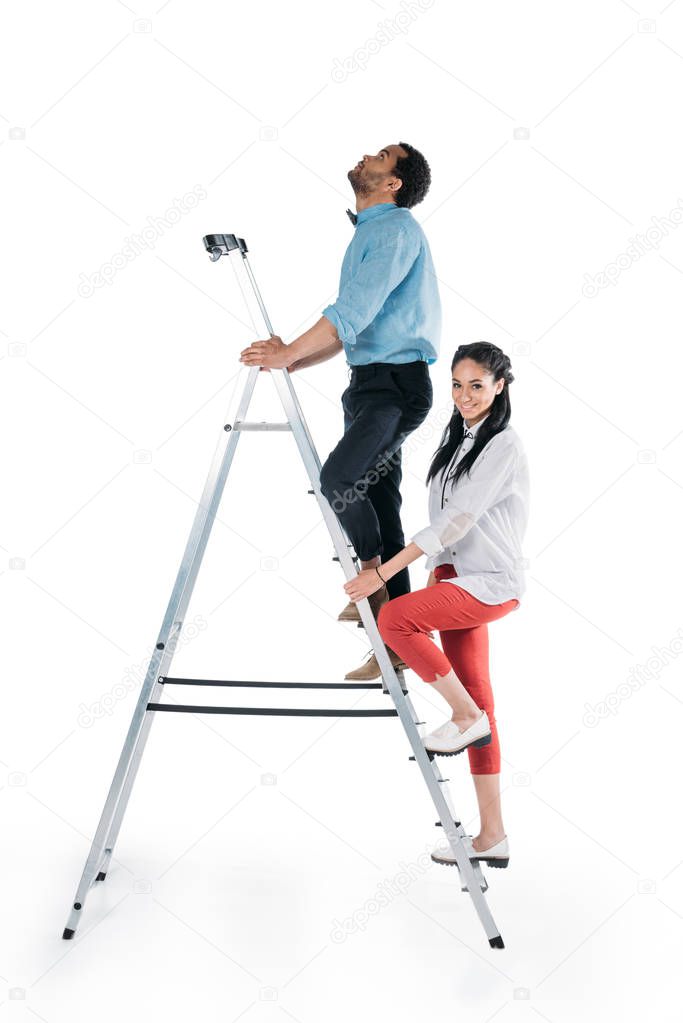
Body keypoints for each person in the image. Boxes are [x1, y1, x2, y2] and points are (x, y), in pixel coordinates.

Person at [240, 142, 441, 680]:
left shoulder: (395, 230)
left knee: (340, 479)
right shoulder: (370, 232)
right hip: (369, 383)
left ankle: (371, 572)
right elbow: (359, 325)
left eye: (380, 156)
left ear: (393, 182)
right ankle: (398, 640)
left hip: (396, 388)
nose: (365, 157)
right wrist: (296, 362)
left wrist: (290, 351)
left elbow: (349, 313)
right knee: (378, 497)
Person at [343, 342, 529, 868]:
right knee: (483, 705)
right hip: (452, 575)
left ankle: (462, 715)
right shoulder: (458, 440)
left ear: (500, 387)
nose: (464, 395)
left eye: (476, 385)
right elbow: (443, 523)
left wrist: (384, 569)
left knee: (395, 618)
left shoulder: (504, 445)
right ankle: (492, 835)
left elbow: (456, 521)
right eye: (456, 384)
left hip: (488, 581)